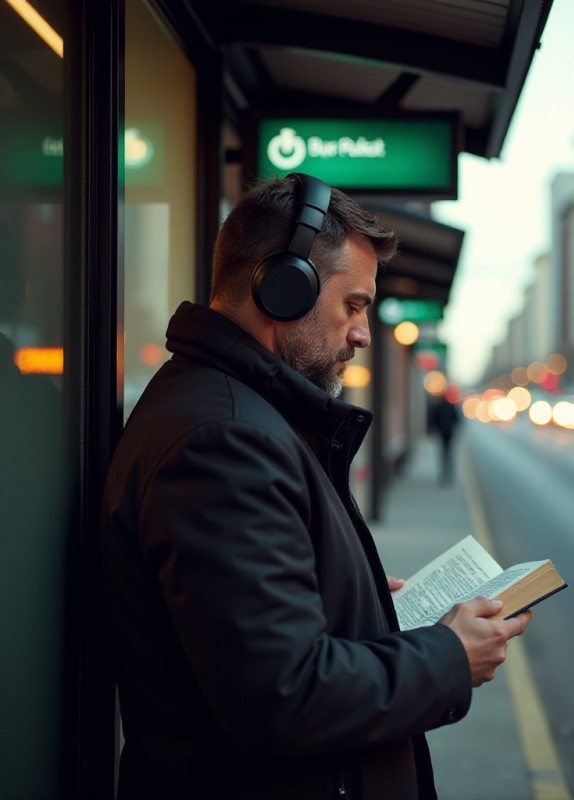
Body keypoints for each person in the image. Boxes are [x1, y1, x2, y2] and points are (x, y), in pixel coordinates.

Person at [100, 173, 531, 800]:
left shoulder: (231, 412)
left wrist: (344, 592)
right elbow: (281, 695)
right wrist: (449, 658)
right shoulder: (225, 441)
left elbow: (251, 632)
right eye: (353, 305)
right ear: (283, 288)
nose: (362, 333)